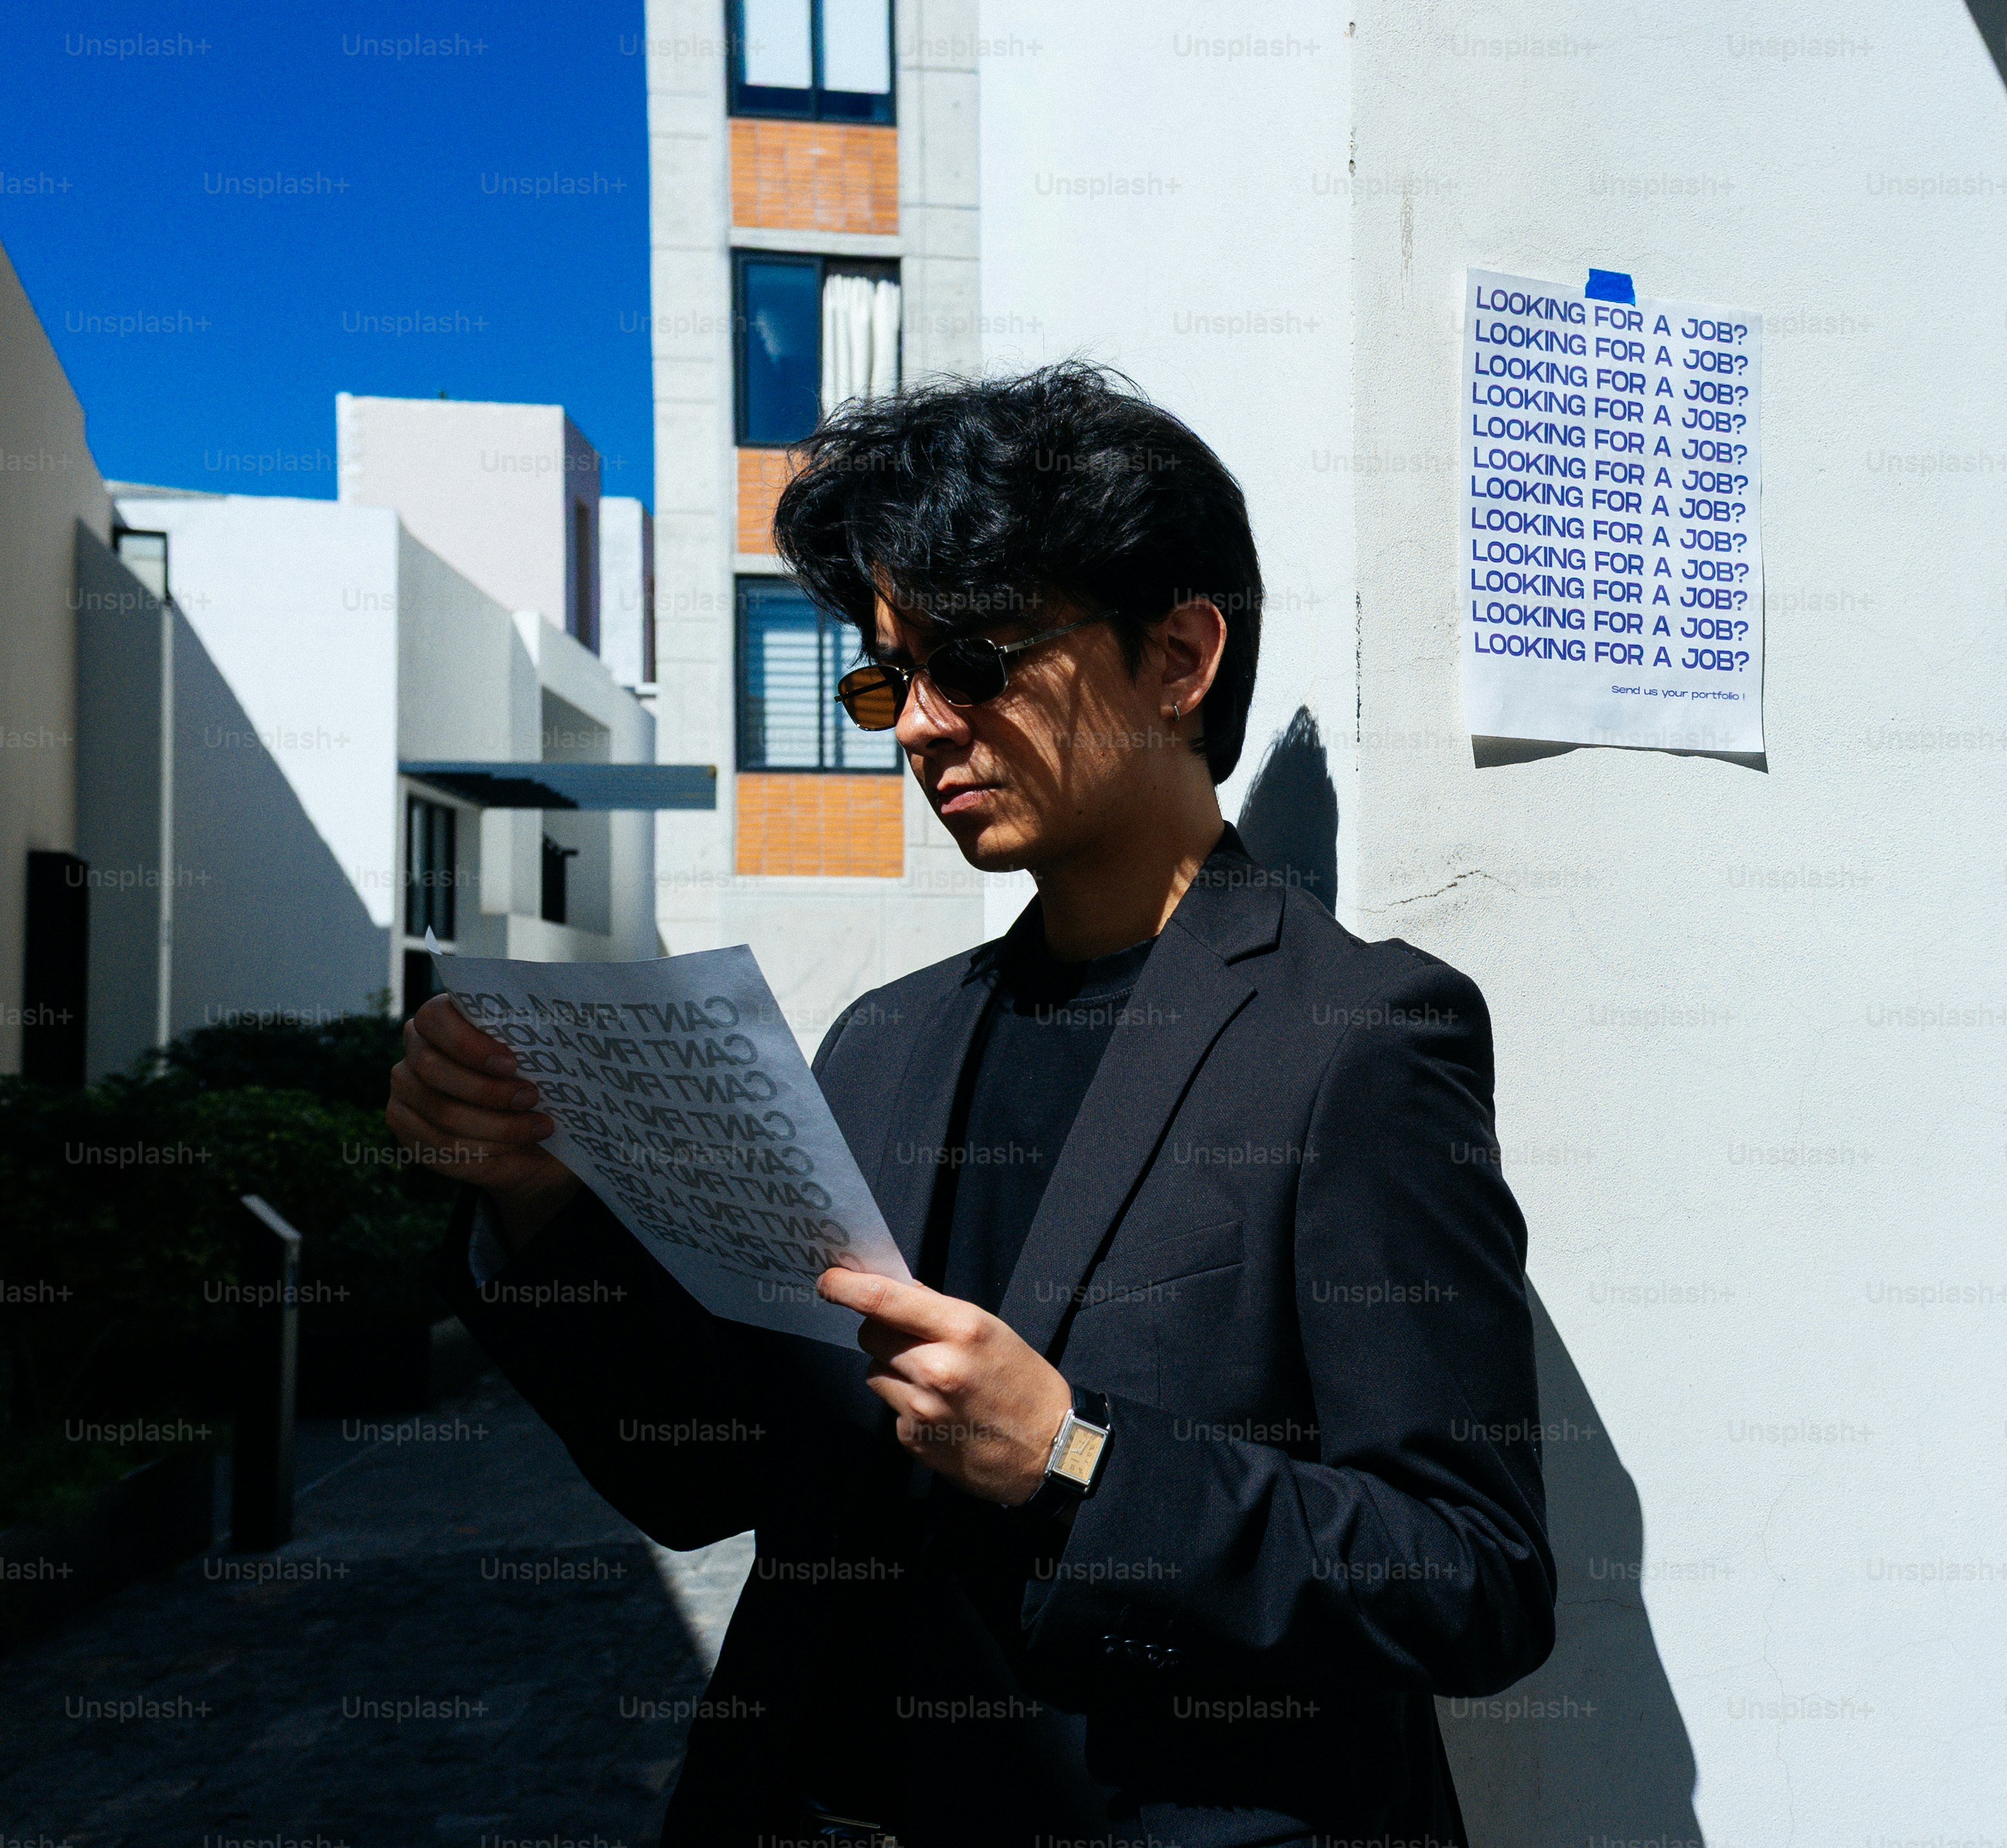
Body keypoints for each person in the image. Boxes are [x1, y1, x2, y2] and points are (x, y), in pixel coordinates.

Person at [386, 362, 1555, 1845]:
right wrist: (534, 1197)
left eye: (978, 661)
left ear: (1178, 654)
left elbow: (1473, 1574)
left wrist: (1081, 1456)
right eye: (888, 677)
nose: (917, 724)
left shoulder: (1357, 1037)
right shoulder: (885, 1039)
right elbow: (708, 1474)